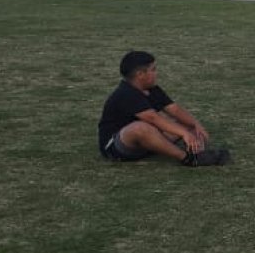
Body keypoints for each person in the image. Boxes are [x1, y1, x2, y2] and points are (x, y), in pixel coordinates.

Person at [97, 50, 230, 167]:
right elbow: (153, 118)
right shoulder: (125, 93)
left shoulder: (152, 89)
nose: (156, 73)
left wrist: (196, 126)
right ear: (140, 74)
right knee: (140, 127)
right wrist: (184, 133)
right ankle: (187, 159)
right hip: (117, 148)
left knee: (187, 124)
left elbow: (175, 110)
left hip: (144, 143)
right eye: (153, 69)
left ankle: (197, 152)